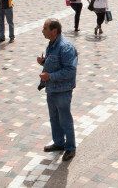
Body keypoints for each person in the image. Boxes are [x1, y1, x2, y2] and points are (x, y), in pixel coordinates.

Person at [37, 19, 78, 162]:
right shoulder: (52, 44)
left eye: (45, 28)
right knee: (54, 117)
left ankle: (70, 148)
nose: (42, 31)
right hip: (51, 88)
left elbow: (70, 71)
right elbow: (56, 62)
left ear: (54, 31)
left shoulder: (66, 47)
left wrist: (50, 76)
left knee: (65, 118)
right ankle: (59, 143)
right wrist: (44, 62)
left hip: (62, 90)